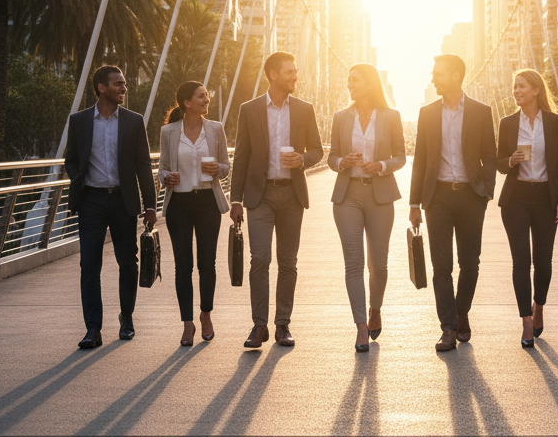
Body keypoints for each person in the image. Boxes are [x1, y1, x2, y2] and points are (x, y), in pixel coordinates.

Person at [229, 51, 323, 349]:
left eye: (295, 71)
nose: (295, 76)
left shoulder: (305, 109)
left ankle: (282, 324)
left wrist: (302, 159)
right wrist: (235, 199)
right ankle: (259, 326)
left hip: (292, 195)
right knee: (260, 260)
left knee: (288, 261)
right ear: (273, 75)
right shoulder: (250, 109)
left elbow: (318, 151)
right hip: (260, 195)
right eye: (289, 72)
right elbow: (241, 156)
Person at [64, 65, 157, 349]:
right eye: (118, 84)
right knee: (89, 264)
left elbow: (143, 164)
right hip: (91, 200)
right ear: (101, 88)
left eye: (124, 84)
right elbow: (71, 159)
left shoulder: (133, 121)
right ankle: (93, 328)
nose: (123, 88)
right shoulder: (79, 120)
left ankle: (126, 318)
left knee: (128, 263)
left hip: (122, 201)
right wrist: (78, 179)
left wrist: (150, 205)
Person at [409, 54, 496, 352]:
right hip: (439, 197)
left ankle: (461, 311)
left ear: (456, 76)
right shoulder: (427, 113)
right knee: (441, 265)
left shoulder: (482, 111)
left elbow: (490, 154)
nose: (433, 78)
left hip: (472, 196)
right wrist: (414, 203)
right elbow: (420, 159)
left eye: (439, 74)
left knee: (470, 263)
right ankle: (447, 327)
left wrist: (486, 190)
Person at [328, 63, 406, 352]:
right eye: (348, 80)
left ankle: (375, 308)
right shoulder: (340, 117)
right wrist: (341, 163)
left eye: (355, 80)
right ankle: (361, 325)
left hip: (380, 196)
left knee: (379, 264)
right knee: (354, 263)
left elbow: (400, 156)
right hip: (347, 196)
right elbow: (332, 157)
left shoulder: (391, 116)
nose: (350, 85)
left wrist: (382, 166)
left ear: (370, 83)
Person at [497, 69, 558, 349]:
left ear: (536, 90)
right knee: (520, 261)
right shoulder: (507, 123)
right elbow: (497, 162)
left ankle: (539, 304)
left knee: (543, 261)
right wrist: (511, 160)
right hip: (515, 198)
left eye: (522, 86)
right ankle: (526, 319)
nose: (516, 91)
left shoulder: (553, 122)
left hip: (544, 197)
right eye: (514, 86)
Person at [159, 81, 231, 347]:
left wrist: (218, 170)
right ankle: (187, 323)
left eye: (207, 96)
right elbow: (162, 169)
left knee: (207, 264)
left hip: (207, 203)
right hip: (179, 203)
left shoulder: (215, 129)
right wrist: (167, 177)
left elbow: (226, 166)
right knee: (182, 266)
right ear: (187, 103)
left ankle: (206, 314)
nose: (207, 99)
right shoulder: (168, 131)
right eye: (201, 96)